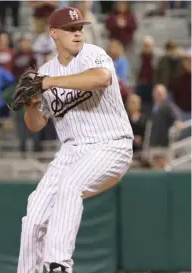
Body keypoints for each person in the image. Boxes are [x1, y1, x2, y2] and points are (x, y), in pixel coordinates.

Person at [17, 7, 133, 273]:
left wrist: (47, 83)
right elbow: (36, 125)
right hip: (71, 151)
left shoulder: (93, 54)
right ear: (54, 34)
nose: (78, 33)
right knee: (34, 212)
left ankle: (58, 265)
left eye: (79, 27)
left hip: (111, 144)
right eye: (70, 29)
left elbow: (102, 78)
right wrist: (31, 105)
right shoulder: (46, 71)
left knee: (70, 186)